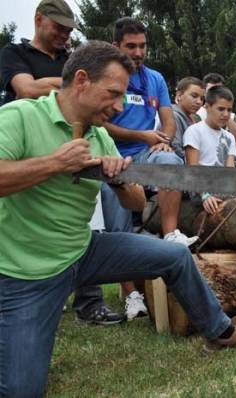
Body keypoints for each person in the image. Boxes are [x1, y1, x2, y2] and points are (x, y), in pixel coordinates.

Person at [0, 41, 236, 398]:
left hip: (81, 250)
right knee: (21, 390)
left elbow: (137, 201)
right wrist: (55, 164)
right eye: (113, 93)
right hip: (25, 273)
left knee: (173, 256)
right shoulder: (19, 116)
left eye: (123, 95)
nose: (120, 105)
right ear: (81, 80)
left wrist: (120, 181)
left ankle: (220, 333)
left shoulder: (99, 136)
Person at [0, 0, 125, 325]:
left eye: (69, 30)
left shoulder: (70, 59)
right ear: (38, 20)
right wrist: (72, 86)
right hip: (33, 142)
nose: (65, 34)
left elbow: (91, 99)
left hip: (82, 141)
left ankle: (89, 301)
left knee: (90, 216)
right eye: (58, 27)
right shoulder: (16, 54)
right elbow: (26, 89)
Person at [103, 17, 196, 320]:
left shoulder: (154, 78)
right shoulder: (105, 76)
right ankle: (131, 296)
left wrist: (164, 140)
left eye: (143, 46)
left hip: (146, 153)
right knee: (119, 226)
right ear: (116, 46)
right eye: (131, 46)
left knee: (170, 161)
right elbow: (100, 124)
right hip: (111, 157)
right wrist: (140, 135)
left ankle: (170, 234)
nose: (139, 52)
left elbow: (167, 118)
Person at [184, 86, 236, 214]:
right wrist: (205, 195)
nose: (225, 114)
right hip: (199, 190)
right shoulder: (194, 131)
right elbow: (193, 169)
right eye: (221, 109)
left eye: (229, 110)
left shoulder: (229, 137)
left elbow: (229, 170)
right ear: (207, 106)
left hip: (221, 189)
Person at [198, 73, 236, 166]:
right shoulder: (197, 113)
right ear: (205, 92)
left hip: (233, 155)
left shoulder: (231, 116)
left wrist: (224, 115)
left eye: (220, 90)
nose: (217, 94)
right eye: (213, 90)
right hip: (206, 156)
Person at [172, 76, 203, 159]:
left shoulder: (196, 119)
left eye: (202, 98)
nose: (199, 102)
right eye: (194, 96)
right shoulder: (173, 116)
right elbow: (175, 148)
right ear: (179, 95)